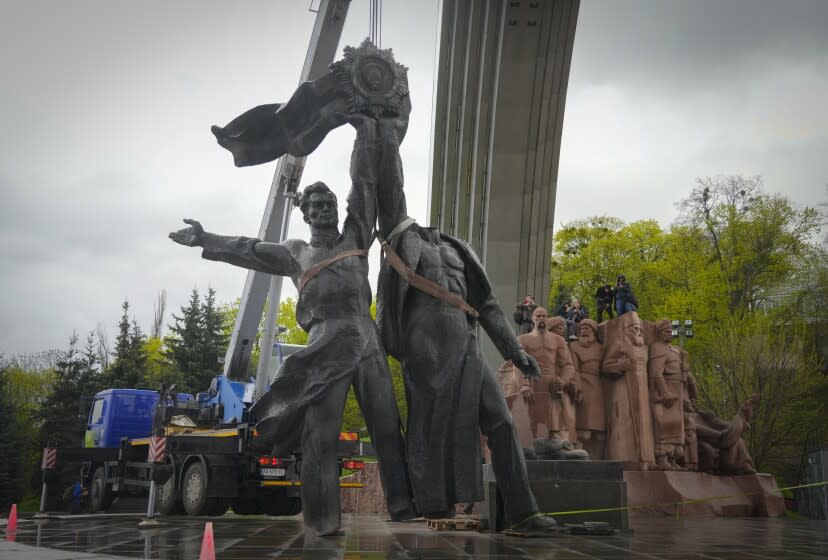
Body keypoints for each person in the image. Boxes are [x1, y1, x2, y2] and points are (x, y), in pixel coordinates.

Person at [170, 117, 415, 536]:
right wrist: (206, 238)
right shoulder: (294, 252)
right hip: (325, 342)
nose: (323, 210)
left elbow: (364, 184)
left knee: (388, 427)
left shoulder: (356, 233)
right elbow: (248, 249)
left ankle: (405, 508)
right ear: (305, 215)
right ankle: (322, 521)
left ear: (338, 211)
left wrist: (365, 132)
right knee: (319, 434)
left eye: (328, 205)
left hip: (366, 338)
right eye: (315, 206)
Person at [372, 118, 561, 534]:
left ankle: (524, 513)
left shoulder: (459, 248)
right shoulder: (403, 240)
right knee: (428, 426)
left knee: (501, 422)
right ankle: (434, 505)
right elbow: (391, 187)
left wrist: (516, 353)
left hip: (465, 344)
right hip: (425, 351)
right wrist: (386, 133)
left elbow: (489, 304)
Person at [601, 312, 655, 470]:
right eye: (634, 329)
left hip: (643, 390)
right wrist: (619, 366)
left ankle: (646, 460)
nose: (638, 332)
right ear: (626, 330)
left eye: (640, 329)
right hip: (623, 390)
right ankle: (623, 457)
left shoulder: (644, 348)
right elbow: (605, 366)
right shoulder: (619, 344)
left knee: (644, 423)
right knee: (624, 422)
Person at [518, 309, 580, 444]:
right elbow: (517, 364)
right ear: (533, 319)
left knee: (554, 423)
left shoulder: (558, 340)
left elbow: (568, 365)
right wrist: (523, 384)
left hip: (552, 384)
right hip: (532, 382)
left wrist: (563, 380)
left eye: (544, 316)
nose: (541, 318)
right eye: (538, 316)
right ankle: (530, 447)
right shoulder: (523, 339)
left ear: (547, 319)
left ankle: (556, 445)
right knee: (531, 422)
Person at [569, 319, 607, 459]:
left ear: (594, 331)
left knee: (599, 430)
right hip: (583, 384)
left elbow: (606, 366)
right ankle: (578, 455)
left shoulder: (601, 347)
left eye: (587, 328)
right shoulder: (573, 346)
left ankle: (598, 459)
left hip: (598, 386)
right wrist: (576, 384)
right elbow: (573, 368)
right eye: (582, 328)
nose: (584, 331)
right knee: (583, 428)